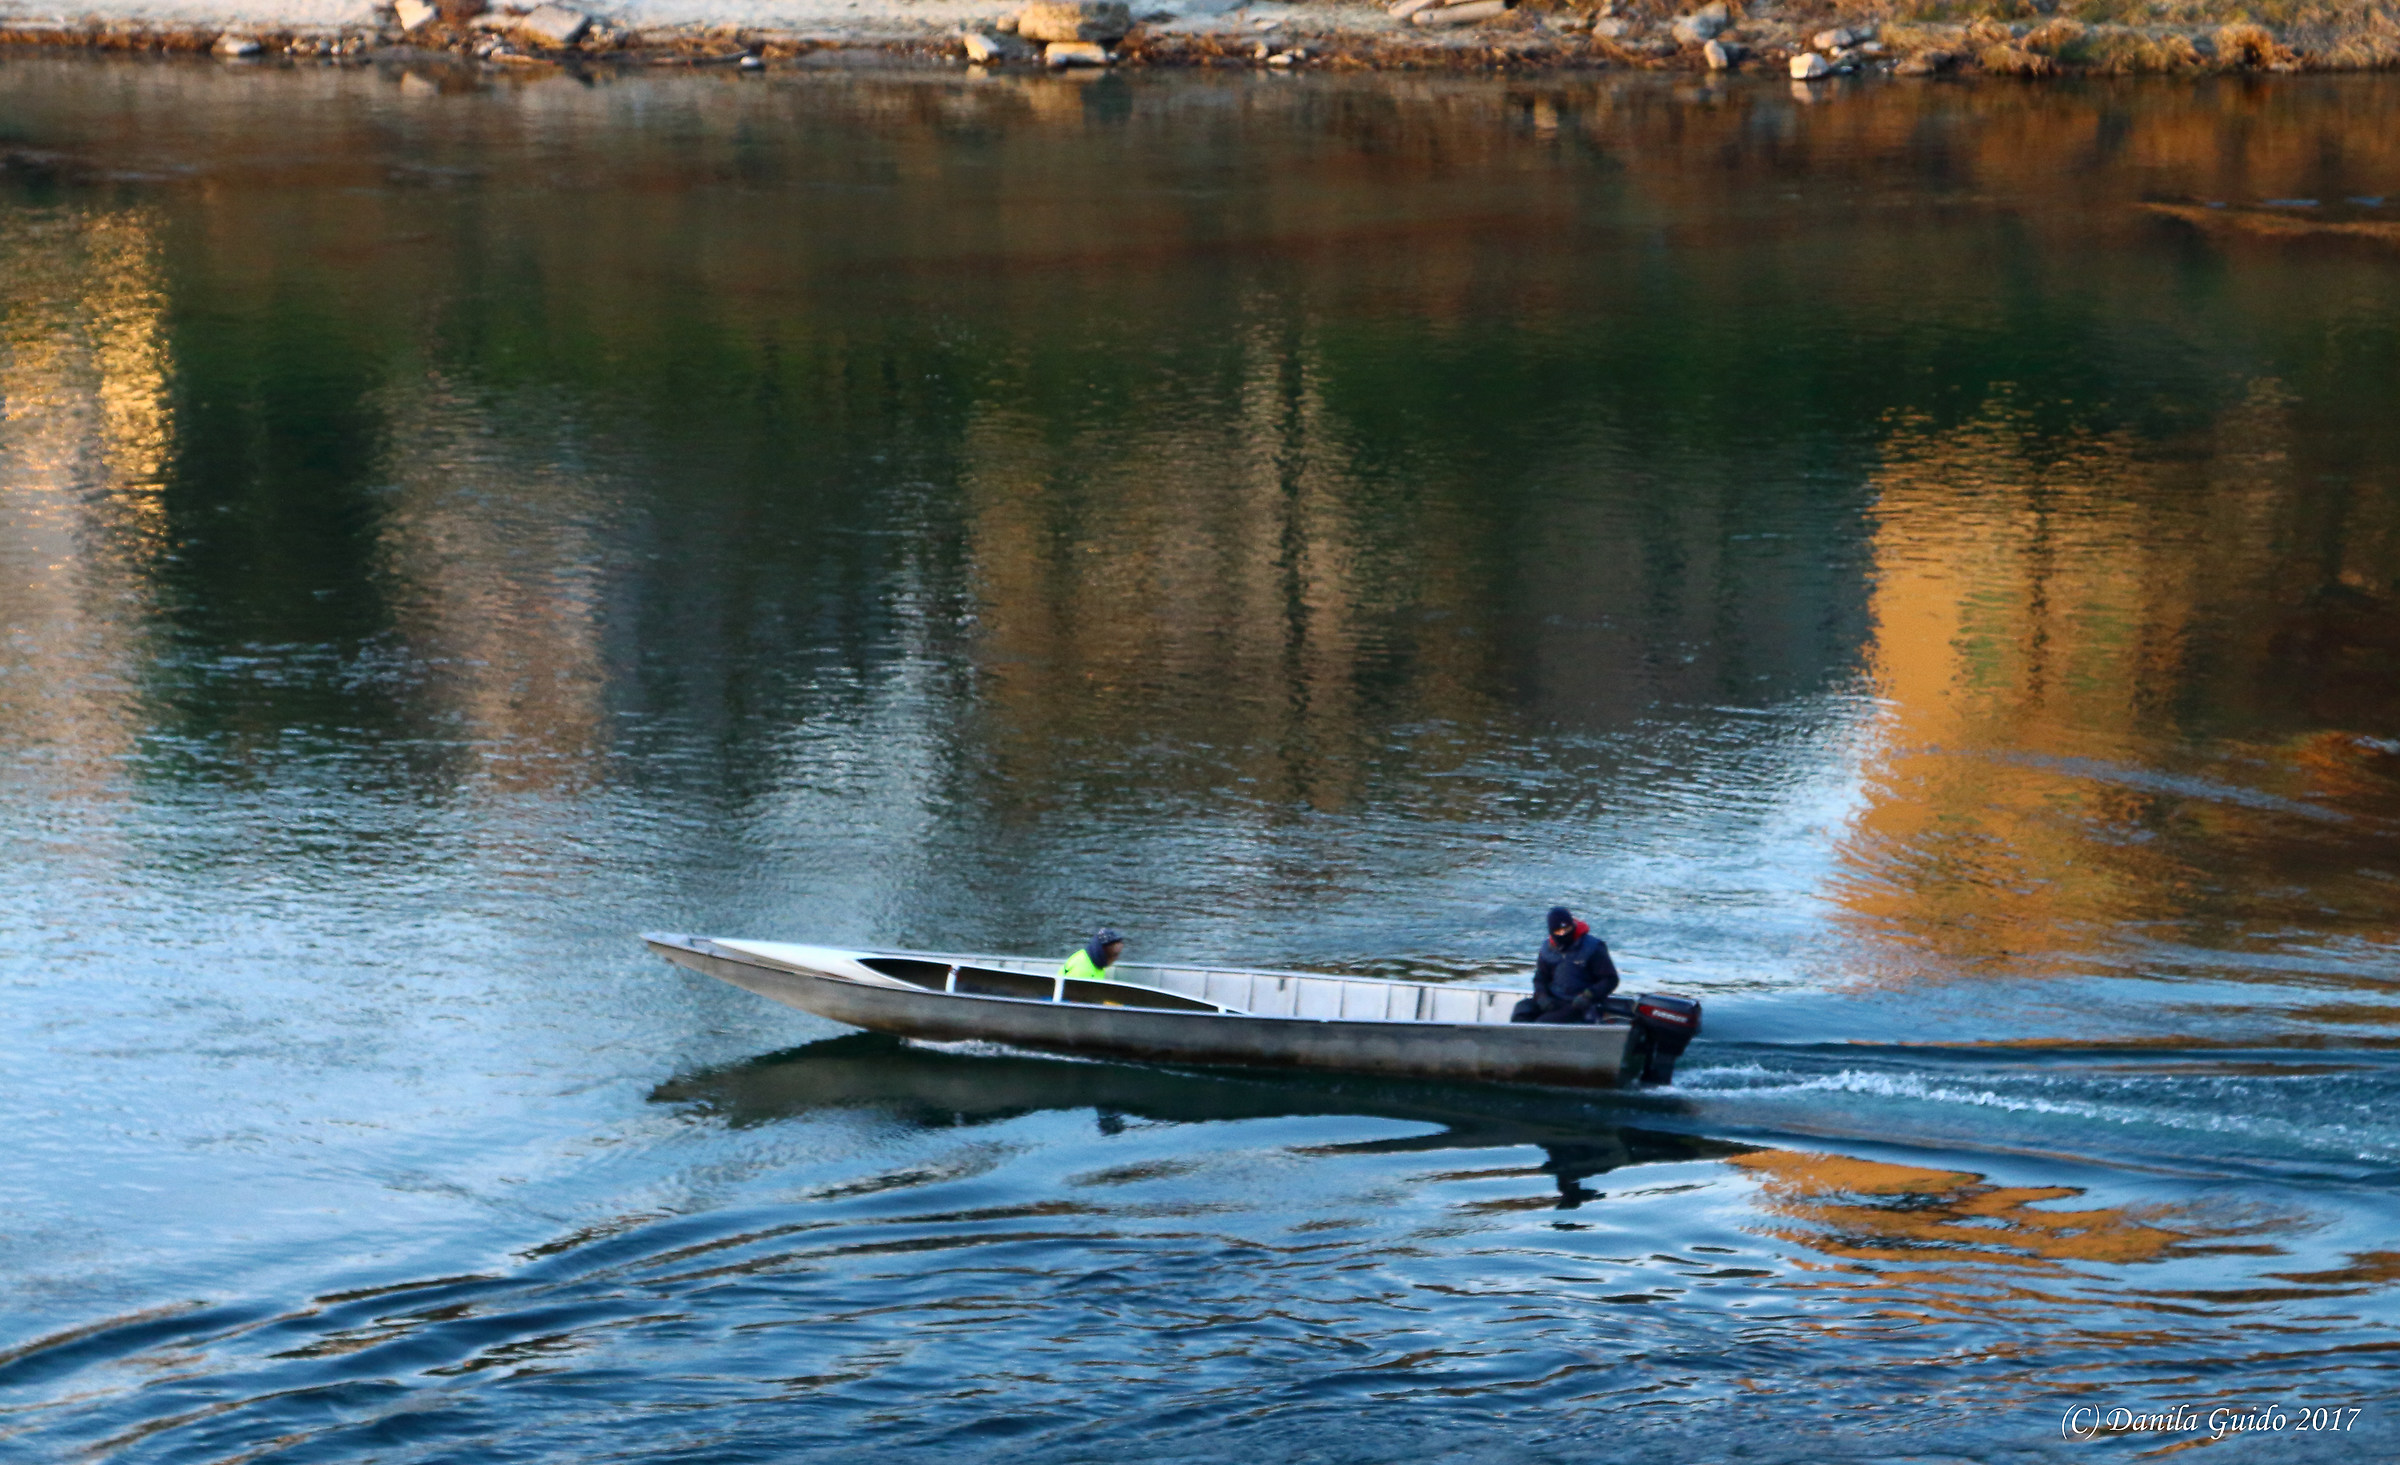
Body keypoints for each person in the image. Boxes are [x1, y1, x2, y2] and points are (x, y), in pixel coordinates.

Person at [1510, 905, 1619, 1024]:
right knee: (1521, 1011)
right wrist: (1542, 997)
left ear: (1573, 925)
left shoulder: (1594, 947)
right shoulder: (1547, 949)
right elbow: (1540, 978)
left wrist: (1588, 995)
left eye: (1567, 929)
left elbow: (1610, 979)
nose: (1563, 934)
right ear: (1552, 932)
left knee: (1543, 1023)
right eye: (1558, 931)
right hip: (1554, 999)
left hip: (1579, 1004)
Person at [1059, 927, 1126, 983]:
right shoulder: (1082, 969)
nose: (1117, 958)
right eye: (1114, 955)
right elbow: (1072, 996)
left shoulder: (1097, 962)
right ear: (1103, 952)